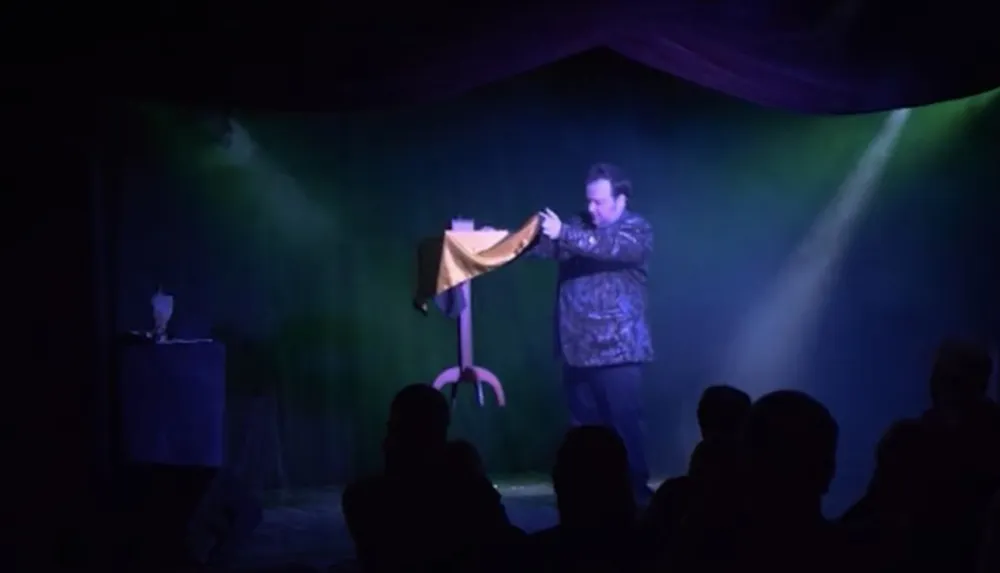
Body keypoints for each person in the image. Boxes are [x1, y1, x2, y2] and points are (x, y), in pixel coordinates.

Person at [531, 162, 654, 503]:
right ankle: (588, 499)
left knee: (624, 427)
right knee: (584, 432)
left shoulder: (636, 229)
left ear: (621, 199)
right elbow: (547, 248)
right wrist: (521, 238)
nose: (591, 208)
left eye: (599, 202)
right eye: (589, 201)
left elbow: (607, 248)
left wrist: (564, 234)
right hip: (577, 349)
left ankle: (636, 498)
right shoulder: (577, 227)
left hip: (618, 352)